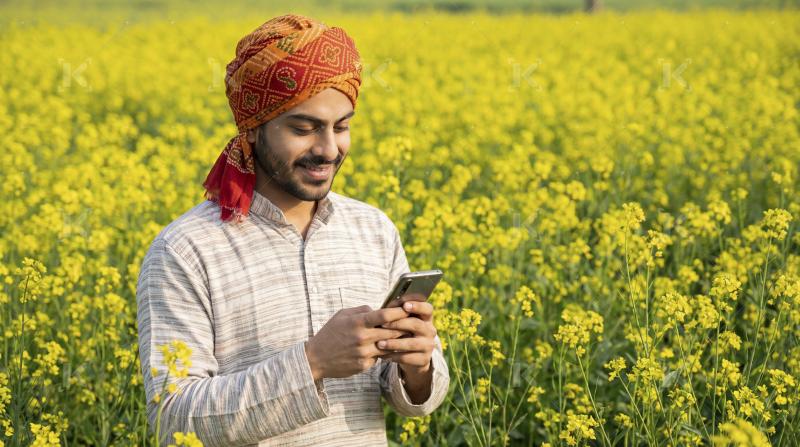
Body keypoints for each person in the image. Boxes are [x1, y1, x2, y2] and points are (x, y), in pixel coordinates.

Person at [136, 13, 450, 446]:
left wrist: (417, 366)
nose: (327, 149)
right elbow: (173, 418)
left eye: (342, 127)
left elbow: (413, 398)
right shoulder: (186, 250)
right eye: (303, 128)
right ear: (252, 128)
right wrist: (313, 362)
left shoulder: (373, 230)